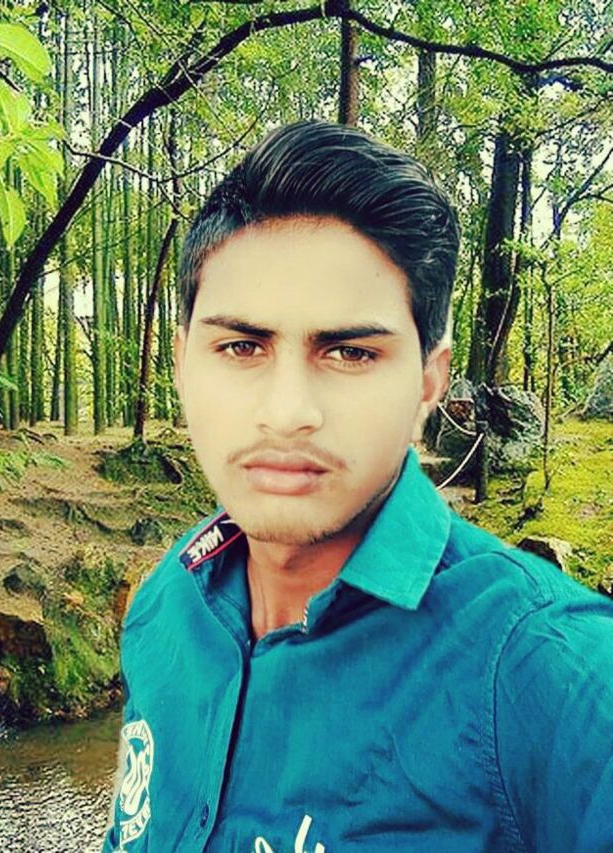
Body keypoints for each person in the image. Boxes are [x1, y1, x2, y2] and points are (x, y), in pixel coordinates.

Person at [103, 120, 613, 853]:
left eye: (349, 352)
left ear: (429, 381)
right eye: (241, 346)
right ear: (183, 363)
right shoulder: (165, 604)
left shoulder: (554, 674)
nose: (287, 412)